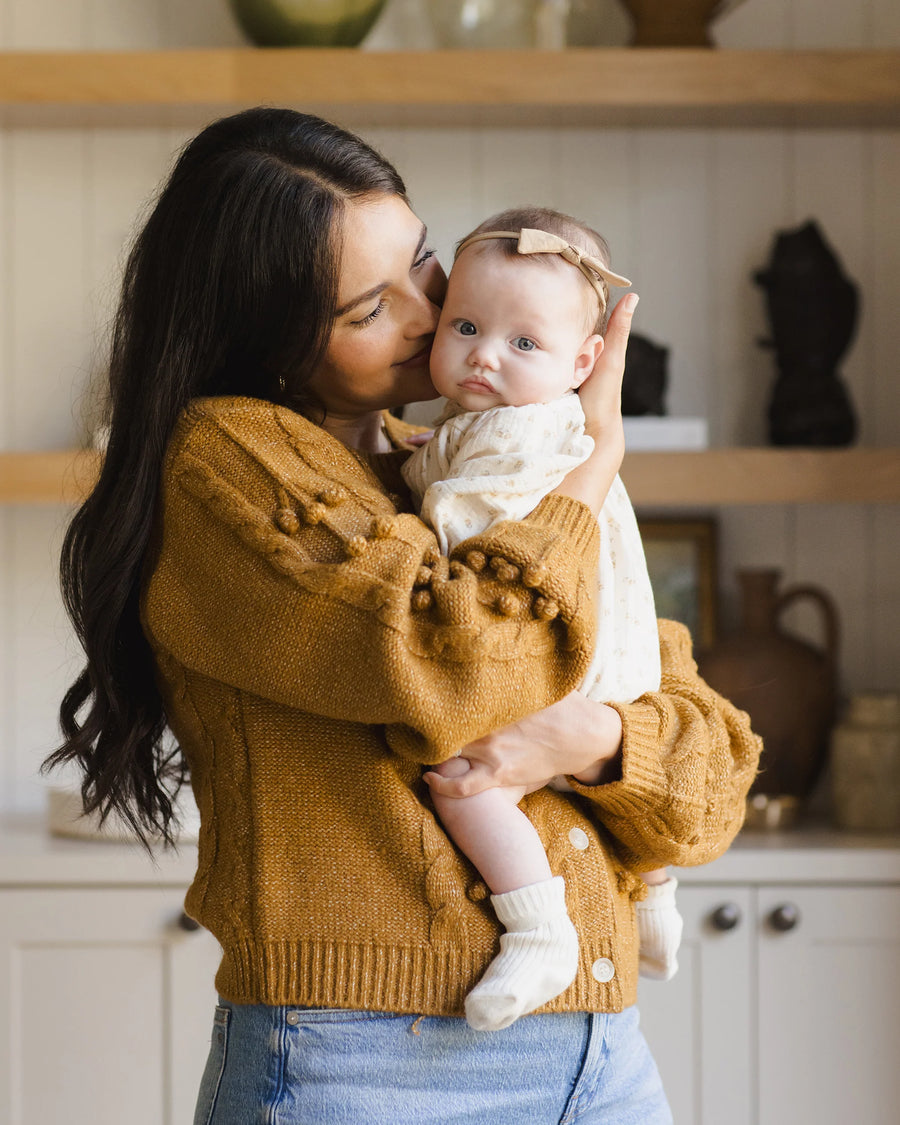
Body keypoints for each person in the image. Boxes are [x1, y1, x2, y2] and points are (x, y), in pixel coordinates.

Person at [44, 107, 761, 1125]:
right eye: (370, 307)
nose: (431, 314)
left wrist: (593, 741)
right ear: (267, 339)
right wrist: (595, 464)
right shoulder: (227, 466)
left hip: (599, 1058)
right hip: (359, 1064)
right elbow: (450, 665)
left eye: (422, 262)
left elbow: (712, 784)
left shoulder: (484, 461)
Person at [402, 207, 682, 1033]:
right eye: (465, 326)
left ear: (585, 362)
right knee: (613, 776)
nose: (484, 355)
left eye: (524, 342)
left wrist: (409, 481)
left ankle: (537, 927)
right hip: (616, 666)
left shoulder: (519, 435)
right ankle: (657, 894)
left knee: (467, 781)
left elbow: (472, 546)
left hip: (551, 661)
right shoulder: (534, 421)